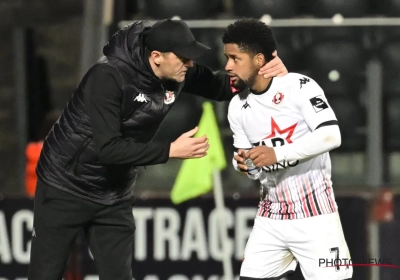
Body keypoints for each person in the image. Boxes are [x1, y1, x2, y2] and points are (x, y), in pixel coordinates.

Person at [28, 19, 287, 280]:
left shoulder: (178, 72)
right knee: (45, 275)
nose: (189, 64)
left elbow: (221, 87)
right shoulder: (108, 77)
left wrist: (258, 72)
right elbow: (108, 149)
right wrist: (170, 150)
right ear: (156, 57)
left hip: (112, 193)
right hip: (64, 185)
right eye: (183, 58)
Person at [225, 19, 352, 280]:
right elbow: (254, 171)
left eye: (235, 58)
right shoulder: (237, 107)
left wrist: (278, 154)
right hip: (270, 216)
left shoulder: (299, 87)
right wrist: (247, 166)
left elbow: (331, 135)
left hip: (315, 215)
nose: (228, 66)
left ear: (259, 60)